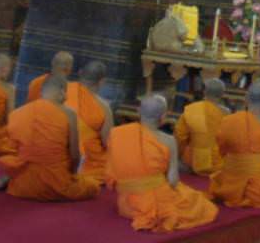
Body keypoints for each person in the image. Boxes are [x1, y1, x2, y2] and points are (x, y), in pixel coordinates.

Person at [105, 95, 218, 232]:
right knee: (200, 204)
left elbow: (113, 170)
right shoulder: (168, 141)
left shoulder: (117, 133)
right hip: (156, 205)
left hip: (127, 204)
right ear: (165, 116)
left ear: (138, 111)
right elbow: (173, 180)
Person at [0, 75, 99, 201]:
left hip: (23, 184)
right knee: (93, 186)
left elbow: (14, 151)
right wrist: (73, 175)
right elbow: (74, 156)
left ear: (41, 92)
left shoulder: (18, 113)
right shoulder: (69, 114)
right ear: (63, 92)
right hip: (55, 184)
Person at [64, 60, 113, 185]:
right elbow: (107, 141)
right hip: (86, 158)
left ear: (80, 73)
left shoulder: (62, 91)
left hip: (58, 148)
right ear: (102, 82)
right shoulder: (104, 107)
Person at [174, 78, 228, 175]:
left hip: (193, 162)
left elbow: (180, 137)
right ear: (222, 94)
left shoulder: (191, 109)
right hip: (218, 163)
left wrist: (177, 157)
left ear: (204, 91)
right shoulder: (227, 114)